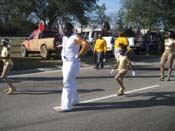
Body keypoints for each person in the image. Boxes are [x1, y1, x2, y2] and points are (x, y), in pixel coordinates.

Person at [56, 22, 89, 112]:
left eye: (65, 29)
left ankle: (66, 106)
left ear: (71, 29)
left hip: (72, 63)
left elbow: (86, 44)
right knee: (71, 81)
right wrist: (61, 46)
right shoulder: (65, 37)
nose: (64, 30)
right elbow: (68, 46)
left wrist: (79, 54)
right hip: (65, 63)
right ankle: (75, 100)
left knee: (66, 83)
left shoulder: (75, 37)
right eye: (63, 29)